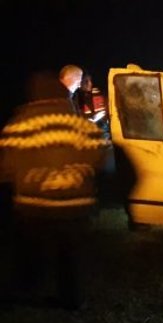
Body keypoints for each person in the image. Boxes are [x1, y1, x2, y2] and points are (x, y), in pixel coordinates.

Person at [0, 71, 110, 310]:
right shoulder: (81, 124)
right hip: (75, 207)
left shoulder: (18, 125)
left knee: (30, 254)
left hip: (32, 206)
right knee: (71, 258)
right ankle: (73, 300)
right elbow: (102, 161)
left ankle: (25, 294)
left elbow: (6, 168)